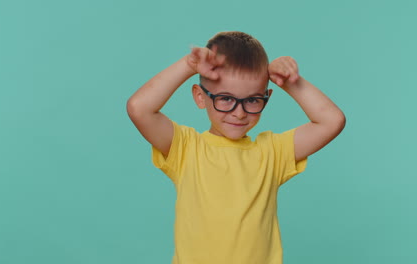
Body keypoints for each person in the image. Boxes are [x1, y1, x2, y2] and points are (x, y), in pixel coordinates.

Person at [126, 31, 345, 264]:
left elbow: (332, 121)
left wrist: (290, 82)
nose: (239, 113)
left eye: (252, 100)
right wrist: (188, 65)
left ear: (266, 97)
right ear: (201, 97)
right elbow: (139, 108)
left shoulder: (272, 152)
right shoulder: (186, 148)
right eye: (226, 99)